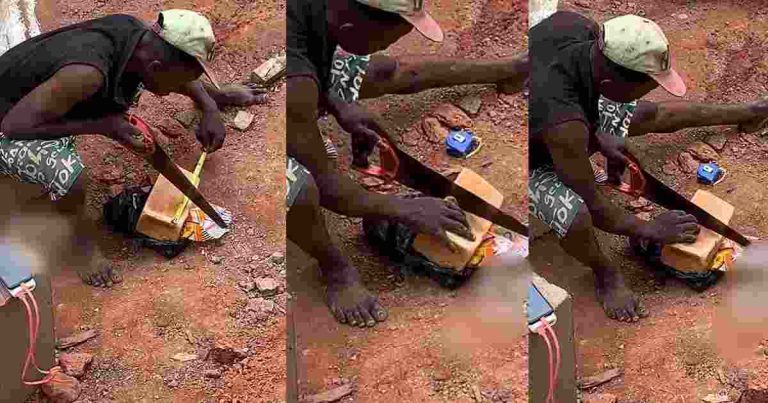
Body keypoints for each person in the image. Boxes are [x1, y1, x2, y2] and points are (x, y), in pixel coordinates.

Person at [287, 0, 528, 327]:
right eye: (384, 41)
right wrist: (406, 209)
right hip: (285, 94)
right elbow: (329, 188)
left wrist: (338, 102)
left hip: (301, 72)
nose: (388, 47)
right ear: (348, 26)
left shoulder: (328, 17)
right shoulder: (297, 85)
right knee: (301, 190)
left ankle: (508, 70)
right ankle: (336, 269)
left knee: (384, 73)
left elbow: (320, 53)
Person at [529, 11, 768, 322]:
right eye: (646, 86)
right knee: (575, 215)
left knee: (645, 115)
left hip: (564, 108)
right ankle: (605, 273)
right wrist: (652, 229)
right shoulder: (566, 128)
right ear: (609, 81)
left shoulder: (579, 28)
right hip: (535, 156)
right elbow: (597, 207)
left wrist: (606, 130)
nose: (650, 90)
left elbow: (599, 94)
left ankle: (746, 112)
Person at [0, 9, 267, 288]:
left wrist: (211, 103)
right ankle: (80, 244)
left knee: (126, 94)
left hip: (41, 102)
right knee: (71, 176)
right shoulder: (86, 75)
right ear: (154, 66)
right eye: (178, 82)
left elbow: (176, 67)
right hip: (10, 124)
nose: (179, 87)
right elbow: (14, 126)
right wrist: (103, 125)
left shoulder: (139, 36)